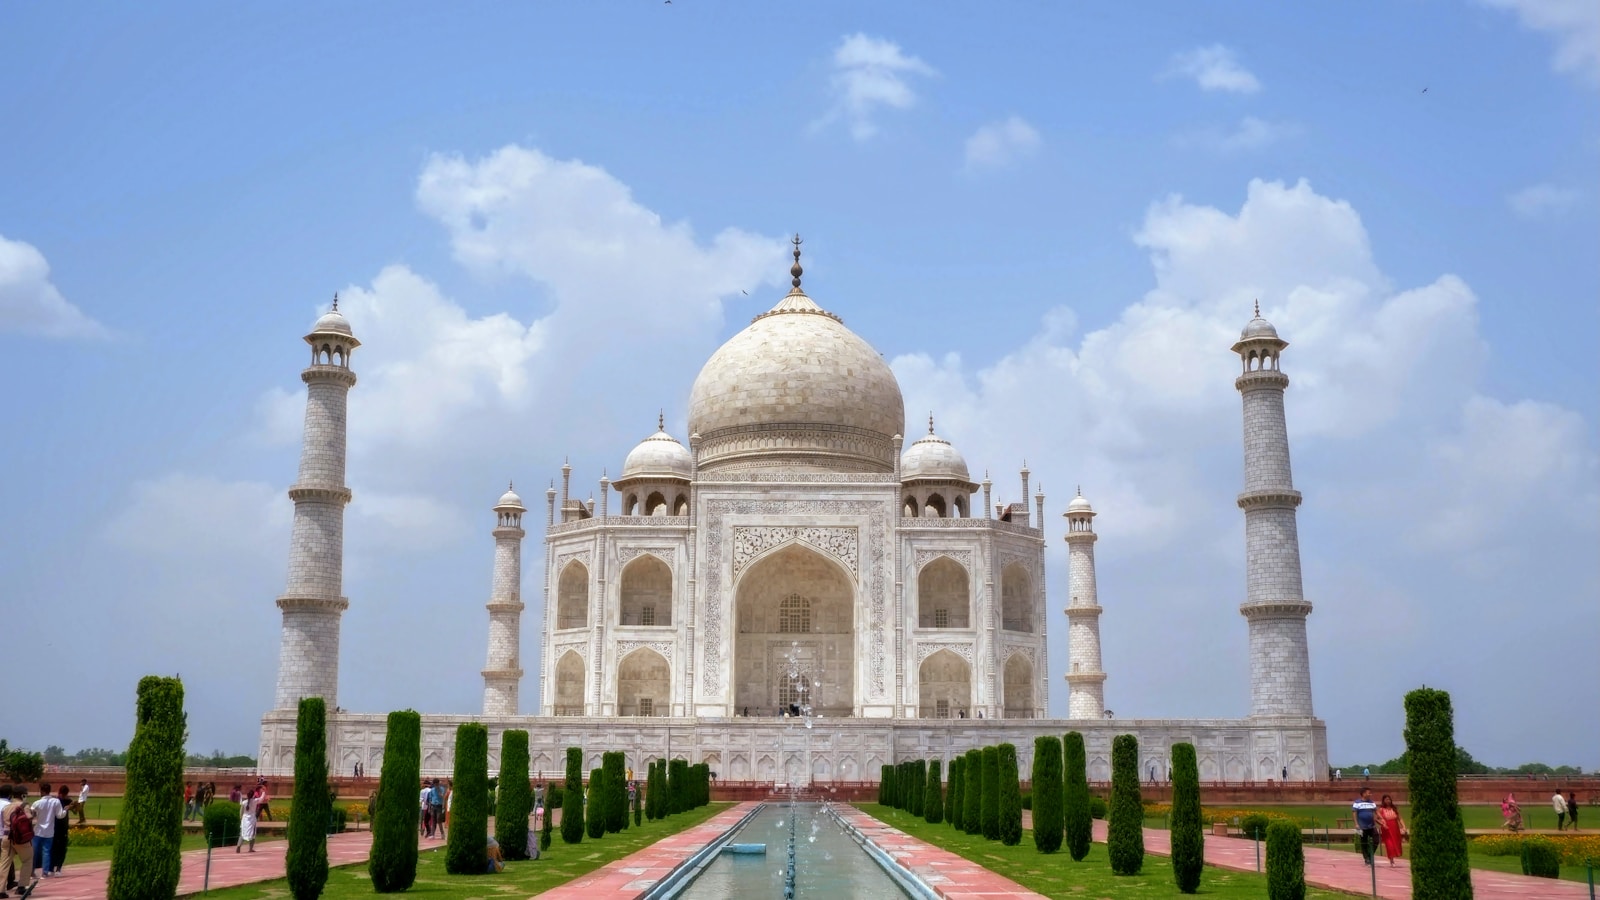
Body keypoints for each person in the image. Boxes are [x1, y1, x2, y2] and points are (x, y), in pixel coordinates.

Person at [2, 784, 39, 899]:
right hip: (20, 839)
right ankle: (22, 886)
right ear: (23, 795)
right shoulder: (24, 805)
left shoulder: (7, 807)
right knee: (27, 860)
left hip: (7, 837)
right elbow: (28, 820)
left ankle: (0, 890)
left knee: (4, 864)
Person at [1352, 787, 1379, 866]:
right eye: (1368, 793)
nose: (1370, 794)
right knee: (1364, 842)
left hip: (1372, 825)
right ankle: (1366, 858)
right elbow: (1354, 813)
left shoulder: (1371, 802)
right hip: (1362, 826)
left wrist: (1381, 818)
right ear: (1363, 794)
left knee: (1376, 840)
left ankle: (1370, 854)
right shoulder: (1357, 802)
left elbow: (1376, 811)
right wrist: (1356, 824)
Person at [1376, 794, 1405, 867]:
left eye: (1389, 799)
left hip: (1395, 829)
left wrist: (1403, 827)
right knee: (1389, 845)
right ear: (1383, 801)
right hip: (1387, 829)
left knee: (1396, 844)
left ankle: (1394, 857)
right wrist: (1382, 824)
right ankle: (1392, 861)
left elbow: (1400, 818)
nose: (1388, 801)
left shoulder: (1394, 808)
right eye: (1386, 800)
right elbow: (1376, 819)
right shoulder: (1381, 809)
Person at [48, 786, 69, 875]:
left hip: (55, 827)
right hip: (61, 828)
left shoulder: (56, 801)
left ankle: (52, 868)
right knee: (60, 849)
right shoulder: (64, 801)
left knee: (54, 848)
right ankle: (57, 868)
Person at [237, 786, 260, 853]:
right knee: (252, 834)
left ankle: (238, 847)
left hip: (244, 820)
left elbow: (241, 812)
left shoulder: (244, 802)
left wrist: (241, 819)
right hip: (252, 819)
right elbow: (262, 798)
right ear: (253, 795)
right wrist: (263, 791)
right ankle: (250, 848)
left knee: (242, 834)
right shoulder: (255, 801)